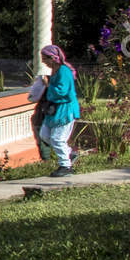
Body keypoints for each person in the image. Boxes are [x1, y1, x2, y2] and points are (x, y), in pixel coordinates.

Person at [38, 44, 80, 176]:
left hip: (65, 109)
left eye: (44, 58)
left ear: (52, 58)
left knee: (58, 139)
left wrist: (48, 84)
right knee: (44, 135)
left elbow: (62, 91)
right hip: (55, 109)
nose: (43, 61)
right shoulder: (55, 71)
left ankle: (65, 166)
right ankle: (69, 153)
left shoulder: (64, 71)